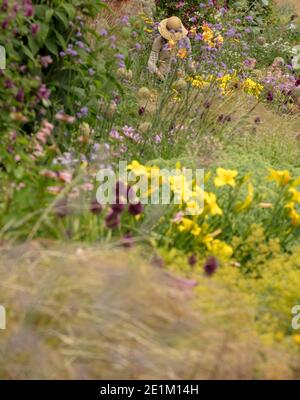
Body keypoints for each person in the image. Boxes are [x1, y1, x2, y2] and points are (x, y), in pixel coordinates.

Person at [147, 16, 195, 80]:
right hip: (161, 76)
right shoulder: (159, 40)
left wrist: (194, 74)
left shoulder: (185, 40)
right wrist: (159, 74)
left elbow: (189, 59)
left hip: (179, 78)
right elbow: (151, 61)